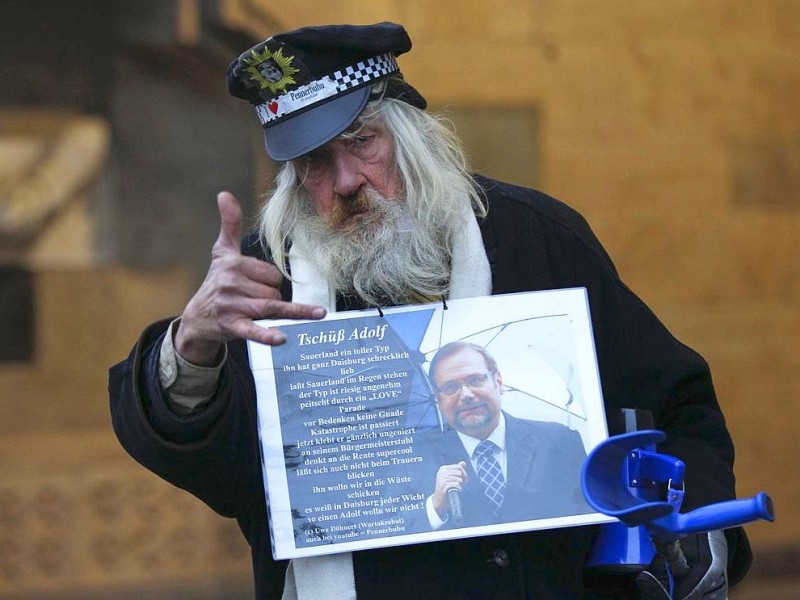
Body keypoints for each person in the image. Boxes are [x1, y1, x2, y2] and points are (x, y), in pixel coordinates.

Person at [109, 22, 751, 600]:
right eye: (311, 163)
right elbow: (219, 473)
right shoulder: (264, 283)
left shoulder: (538, 238)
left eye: (361, 142)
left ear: (411, 134)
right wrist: (192, 343)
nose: (345, 183)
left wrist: (692, 525)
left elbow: (677, 409)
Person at [421, 341, 591, 530]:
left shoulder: (560, 441)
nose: (466, 395)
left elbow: (588, 514)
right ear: (438, 398)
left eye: (475, 380)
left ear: (498, 381)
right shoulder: (417, 459)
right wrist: (436, 508)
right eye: (451, 387)